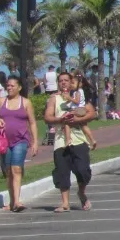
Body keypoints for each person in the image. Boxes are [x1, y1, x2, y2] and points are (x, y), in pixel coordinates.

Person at [0, 76, 39, 212]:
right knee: (8, 171)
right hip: (4, 141)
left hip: (21, 140)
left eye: (12, 86)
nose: (9, 88)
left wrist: (35, 142)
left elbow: (32, 122)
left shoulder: (26, 103)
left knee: (17, 169)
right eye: (7, 86)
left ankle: (17, 202)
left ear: (19, 87)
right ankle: (11, 201)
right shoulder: (1, 101)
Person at [46, 72, 97, 212]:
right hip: (61, 140)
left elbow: (92, 113)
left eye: (66, 80)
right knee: (62, 171)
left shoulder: (77, 96)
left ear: (70, 82)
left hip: (79, 139)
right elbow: (48, 117)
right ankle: (65, 203)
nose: (63, 83)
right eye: (61, 80)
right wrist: (59, 120)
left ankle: (81, 192)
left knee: (83, 170)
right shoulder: (54, 99)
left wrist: (78, 120)